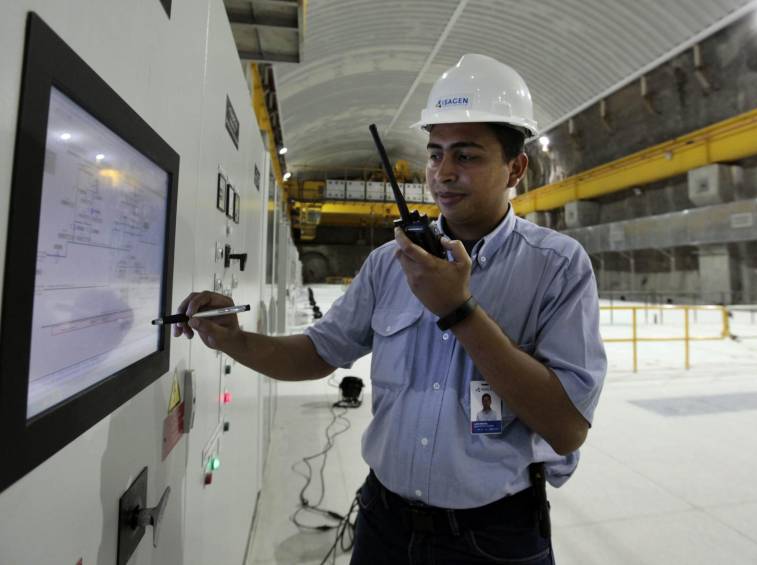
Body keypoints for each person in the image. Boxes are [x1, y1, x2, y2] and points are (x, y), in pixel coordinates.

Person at [174, 53, 607, 565]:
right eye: (435, 153)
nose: (443, 173)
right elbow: (319, 353)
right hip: (386, 525)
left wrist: (458, 310)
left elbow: (567, 427)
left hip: (494, 538)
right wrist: (235, 339)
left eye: (466, 156)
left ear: (515, 167)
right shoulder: (389, 263)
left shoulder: (555, 266)